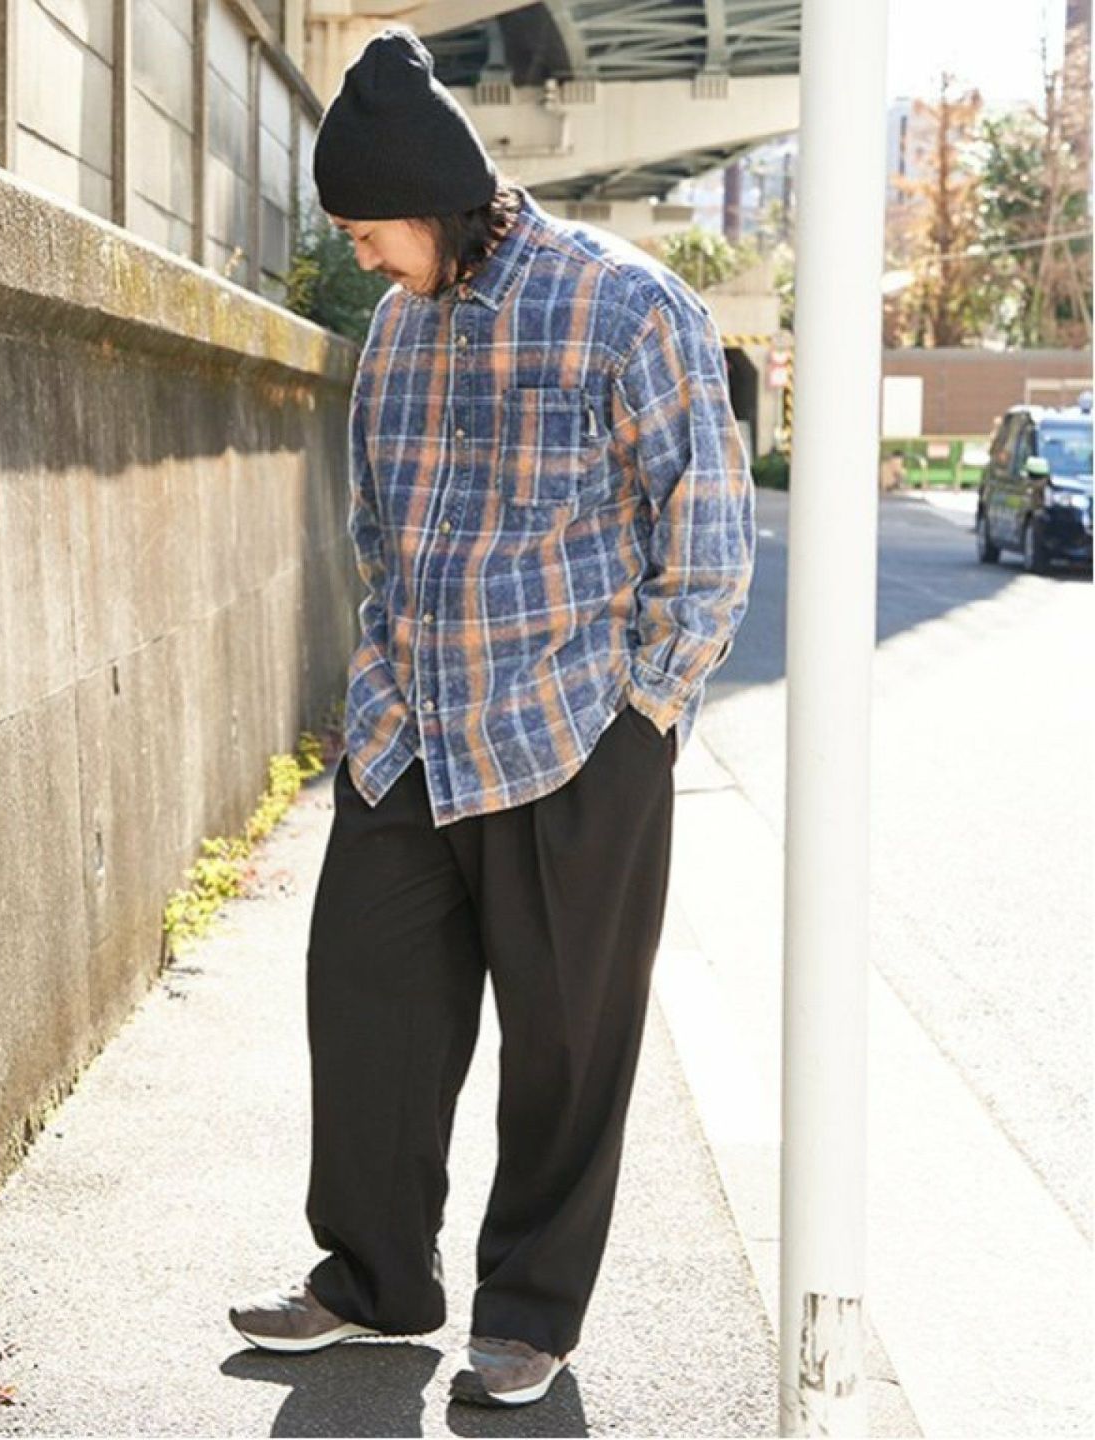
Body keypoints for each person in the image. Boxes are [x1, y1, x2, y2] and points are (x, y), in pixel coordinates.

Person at [228, 22, 756, 1409]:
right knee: (366, 1008)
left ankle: (528, 1314)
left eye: (366, 230)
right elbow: (376, 530)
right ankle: (373, 1281)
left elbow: (706, 533)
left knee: (568, 1046)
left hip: (575, 736)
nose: (360, 257)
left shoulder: (627, 306)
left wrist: (644, 715)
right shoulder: (396, 334)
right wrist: (376, 687)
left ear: (430, 200)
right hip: (411, 735)